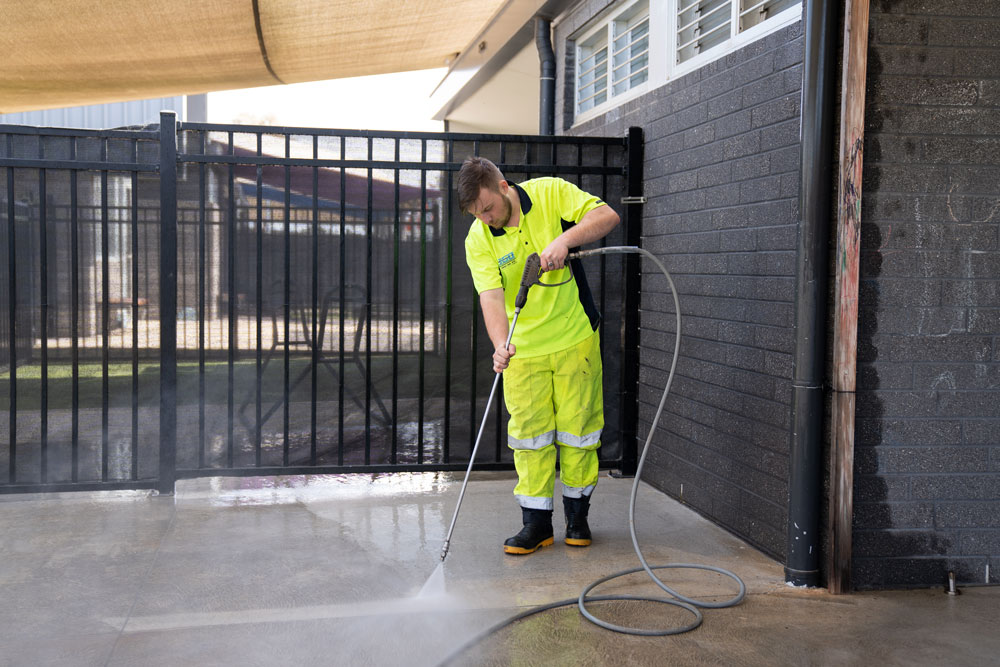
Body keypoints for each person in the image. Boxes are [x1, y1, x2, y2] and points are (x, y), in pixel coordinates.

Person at [458, 156, 620, 555]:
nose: (486, 219)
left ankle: (577, 518)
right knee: (530, 439)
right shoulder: (478, 239)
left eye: (488, 209)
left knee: (579, 432)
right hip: (524, 351)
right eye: (477, 215)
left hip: (573, 338)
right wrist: (501, 344)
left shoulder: (549, 193)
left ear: (502, 186)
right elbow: (491, 298)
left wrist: (565, 239)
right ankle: (536, 525)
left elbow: (607, 216)